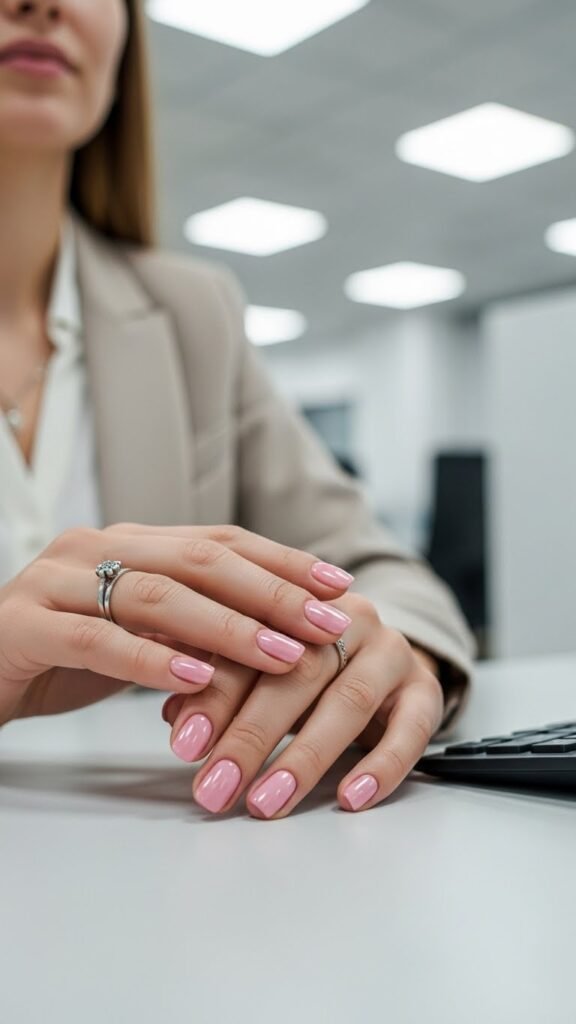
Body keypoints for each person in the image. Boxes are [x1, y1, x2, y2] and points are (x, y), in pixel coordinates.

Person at [0, 0, 475, 819]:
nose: (37, 2)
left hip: (155, 841)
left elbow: (384, 574)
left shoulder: (194, 313)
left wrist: (374, 659)